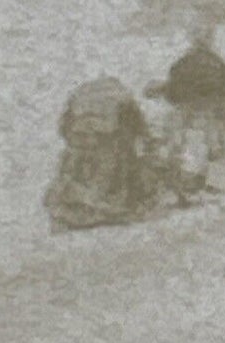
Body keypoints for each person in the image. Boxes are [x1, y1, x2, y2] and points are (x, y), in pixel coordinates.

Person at [44, 77, 162, 231]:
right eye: (81, 135)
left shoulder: (135, 166)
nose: (90, 142)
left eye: (100, 136)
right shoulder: (74, 160)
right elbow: (55, 199)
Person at [147, 26, 225, 202]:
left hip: (185, 111)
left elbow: (173, 91)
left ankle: (183, 185)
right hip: (210, 112)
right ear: (210, 41)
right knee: (211, 148)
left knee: (181, 146)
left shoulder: (181, 64)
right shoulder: (220, 65)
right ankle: (205, 184)